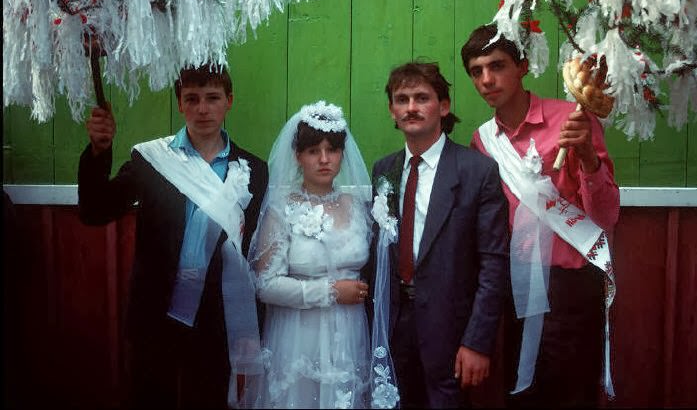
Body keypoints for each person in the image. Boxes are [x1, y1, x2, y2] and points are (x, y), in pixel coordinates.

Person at [78, 64, 269, 409]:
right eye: (191, 99)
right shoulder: (152, 160)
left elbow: (252, 247)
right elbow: (95, 212)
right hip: (156, 310)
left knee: (208, 399)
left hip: (217, 315)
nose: (202, 108)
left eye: (212, 98)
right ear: (180, 104)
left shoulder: (254, 169)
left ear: (229, 101)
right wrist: (98, 151)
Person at [462, 23, 620, 408]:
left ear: (522, 66)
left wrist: (585, 157)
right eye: (476, 72)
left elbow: (605, 216)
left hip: (569, 284)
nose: (486, 79)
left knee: (571, 392)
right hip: (516, 284)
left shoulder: (572, 120)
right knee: (522, 390)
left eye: (496, 66)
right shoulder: (483, 141)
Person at [370, 62, 509, 408]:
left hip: (452, 330)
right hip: (392, 327)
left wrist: (477, 341)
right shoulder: (384, 170)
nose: (411, 107)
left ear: (443, 107)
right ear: (392, 111)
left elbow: (494, 264)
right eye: (402, 99)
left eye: (422, 98)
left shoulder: (477, 171)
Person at [244, 101, 372, 409]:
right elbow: (265, 285)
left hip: (349, 334)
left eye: (333, 149)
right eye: (314, 151)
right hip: (299, 337)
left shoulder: (357, 207)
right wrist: (329, 291)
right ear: (298, 156)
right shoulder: (280, 209)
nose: (324, 159)